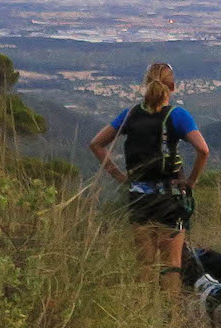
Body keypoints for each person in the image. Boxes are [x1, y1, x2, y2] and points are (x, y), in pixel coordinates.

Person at [89, 62, 210, 282]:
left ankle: (144, 312)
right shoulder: (178, 115)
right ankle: (171, 315)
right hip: (169, 198)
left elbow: (96, 144)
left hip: (138, 197)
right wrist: (191, 182)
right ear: (172, 86)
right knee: (171, 266)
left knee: (145, 264)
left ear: (146, 85)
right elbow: (203, 150)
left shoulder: (130, 114)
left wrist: (120, 177)